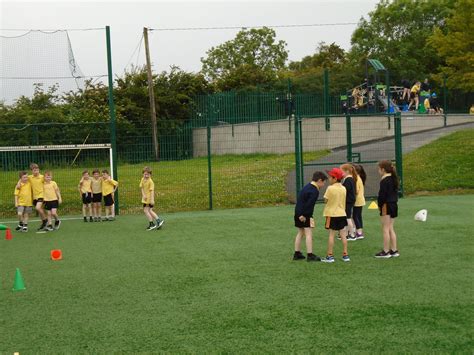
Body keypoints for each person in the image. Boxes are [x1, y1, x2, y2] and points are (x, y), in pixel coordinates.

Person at [293, 171, 327, 262]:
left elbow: (300, 201)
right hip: (305, 215)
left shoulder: (306, 187)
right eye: (323, 182)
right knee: (308, 233)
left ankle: (297, 253)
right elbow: (309, 204)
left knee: (300, 232)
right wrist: (304, 215)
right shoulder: (314, 190)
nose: (323, 185)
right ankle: (310, 255)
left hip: (297, 213)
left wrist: (299, 214)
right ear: (319, 180)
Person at [321, 168, 349, 263]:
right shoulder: (343, 188)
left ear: (335, 178)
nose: (329, 178)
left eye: (330, 177)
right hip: (342, 214)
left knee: (331, 235)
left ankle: (330, 256)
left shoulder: (330, 188)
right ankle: (345, 255)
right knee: (343, 235)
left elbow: (325, 200)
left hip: (332, 214)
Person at [375, 160, 399, 258]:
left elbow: (382, 195)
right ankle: (394, 250)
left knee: (385, 228)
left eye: (379, 169)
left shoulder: (384, 180)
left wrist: (380, 206)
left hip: (386, 205)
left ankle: (385, 251)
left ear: (383, 169)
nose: (378, 171)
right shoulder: (394, 178)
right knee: (390, 228)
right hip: (394, 204)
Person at [16, 163, 48, 231]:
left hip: (41, 195)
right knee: (40, 211)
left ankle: (45, 220)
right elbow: (22, 178)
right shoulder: (30, 177)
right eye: (34, 170)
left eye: (37, 170)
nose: (36, 171)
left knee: (38, 208)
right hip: (34, 197)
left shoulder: (42, 177)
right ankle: (43, 223)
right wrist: (18, 183)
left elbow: (49, 180)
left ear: (39, 170)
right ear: (32, 171)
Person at [140, 167, 164, 231]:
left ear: (150, 175)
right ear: (143, 174)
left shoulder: (151, 182)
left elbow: (152, 191)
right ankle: (158, 221)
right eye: (145, 174)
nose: (146, 176)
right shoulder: (142, 179)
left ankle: (152, 224)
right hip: (145, 199)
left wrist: (152, 200)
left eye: (148, 174)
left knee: (146, 210)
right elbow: (141, 188)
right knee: (150, 210)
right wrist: (143, 195)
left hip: (149, 199)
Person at [340, 163, 358, 241]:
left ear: (347, 171)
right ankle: (347, 233)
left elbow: (345, 190)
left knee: (347, 217)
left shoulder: (348, 180)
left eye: (342, 171)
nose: (341, 173)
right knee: (347, 217)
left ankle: (352, 234)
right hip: (350, 200)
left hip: (348, 201)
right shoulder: (351, 179)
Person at [353, 164, 366, 240]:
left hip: (357, 201)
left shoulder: (356, 179)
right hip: (360, 200)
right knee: (358, 216)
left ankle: (359, 232)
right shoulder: (359, 178)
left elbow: (356, 191)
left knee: (355, 216)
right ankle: (359, 231)